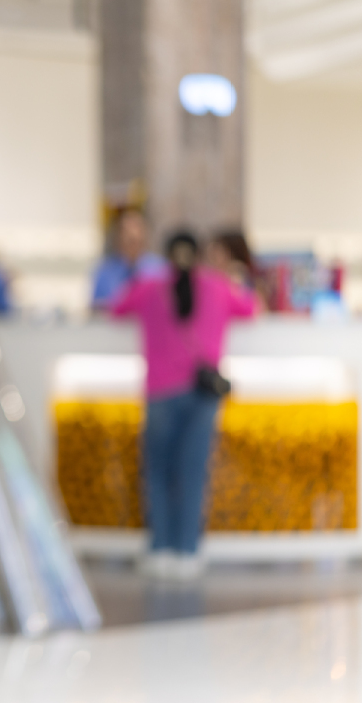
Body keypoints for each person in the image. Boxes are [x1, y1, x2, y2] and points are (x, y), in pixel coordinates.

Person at [112, 231, 255, 580]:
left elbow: (116, 308)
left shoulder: (149, 286)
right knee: (192, 474)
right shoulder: (218, 286)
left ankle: (161, 548)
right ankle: (188, 551)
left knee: (159, 473)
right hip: (202, 393)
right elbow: (250, 308)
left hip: (161, 392)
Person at [91, 209, 165, 310]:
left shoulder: (161, 271)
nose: (132, 234)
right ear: (118, 236)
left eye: (137, 227)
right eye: (125, 230)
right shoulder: (105, 272)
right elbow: (96, 309)